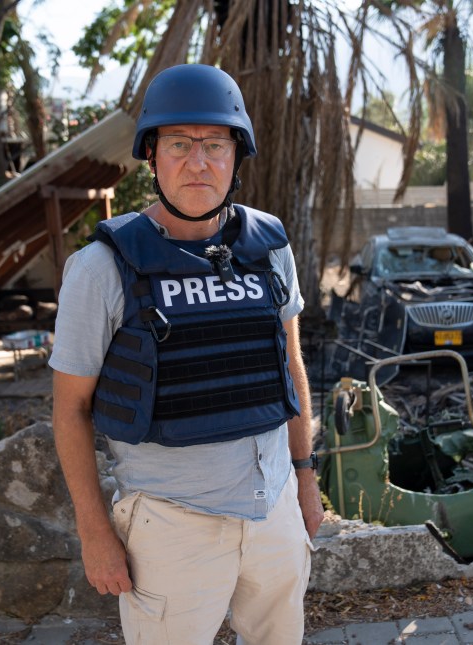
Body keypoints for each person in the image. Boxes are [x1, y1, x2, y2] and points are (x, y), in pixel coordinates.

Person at [49, 63, 324, 645]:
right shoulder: (102, 268)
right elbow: (70, 411)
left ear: (236, 157)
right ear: (151, 156)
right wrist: (94, 531)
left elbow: (291, 368)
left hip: (273, 507)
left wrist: (304, 478)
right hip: (170, 524)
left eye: (215, 145)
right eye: (179, 144)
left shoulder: (270, 249)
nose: (198, 163)